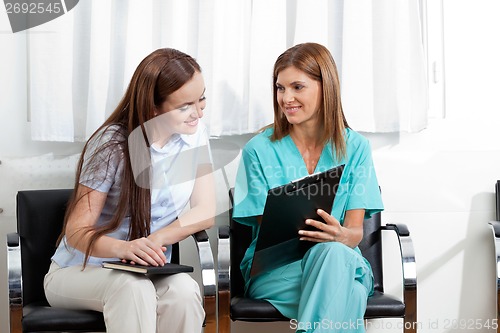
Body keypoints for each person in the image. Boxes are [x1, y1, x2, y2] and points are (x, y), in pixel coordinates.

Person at [43, 48, 215, 333]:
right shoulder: (111, 145)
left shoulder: (194, 135)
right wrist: (126, 248)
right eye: (185, 105)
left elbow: (205, 211)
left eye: (202, 98)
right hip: (79, 272)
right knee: (131, 287)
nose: (198, 112)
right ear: (153, 108)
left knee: (184, 290)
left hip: (144, 271)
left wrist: (153, 241)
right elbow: (76, 231)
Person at [232, 42, 384, 333]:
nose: (286, 98)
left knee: (333, 254)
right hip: (278, 272)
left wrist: (339, 235)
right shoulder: (258, 150)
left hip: (339, 258)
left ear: (325, 87)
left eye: (297, 87)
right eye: (280, 88)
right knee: (348, 291)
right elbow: (272, 242)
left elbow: (354, 233)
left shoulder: (356, 148)